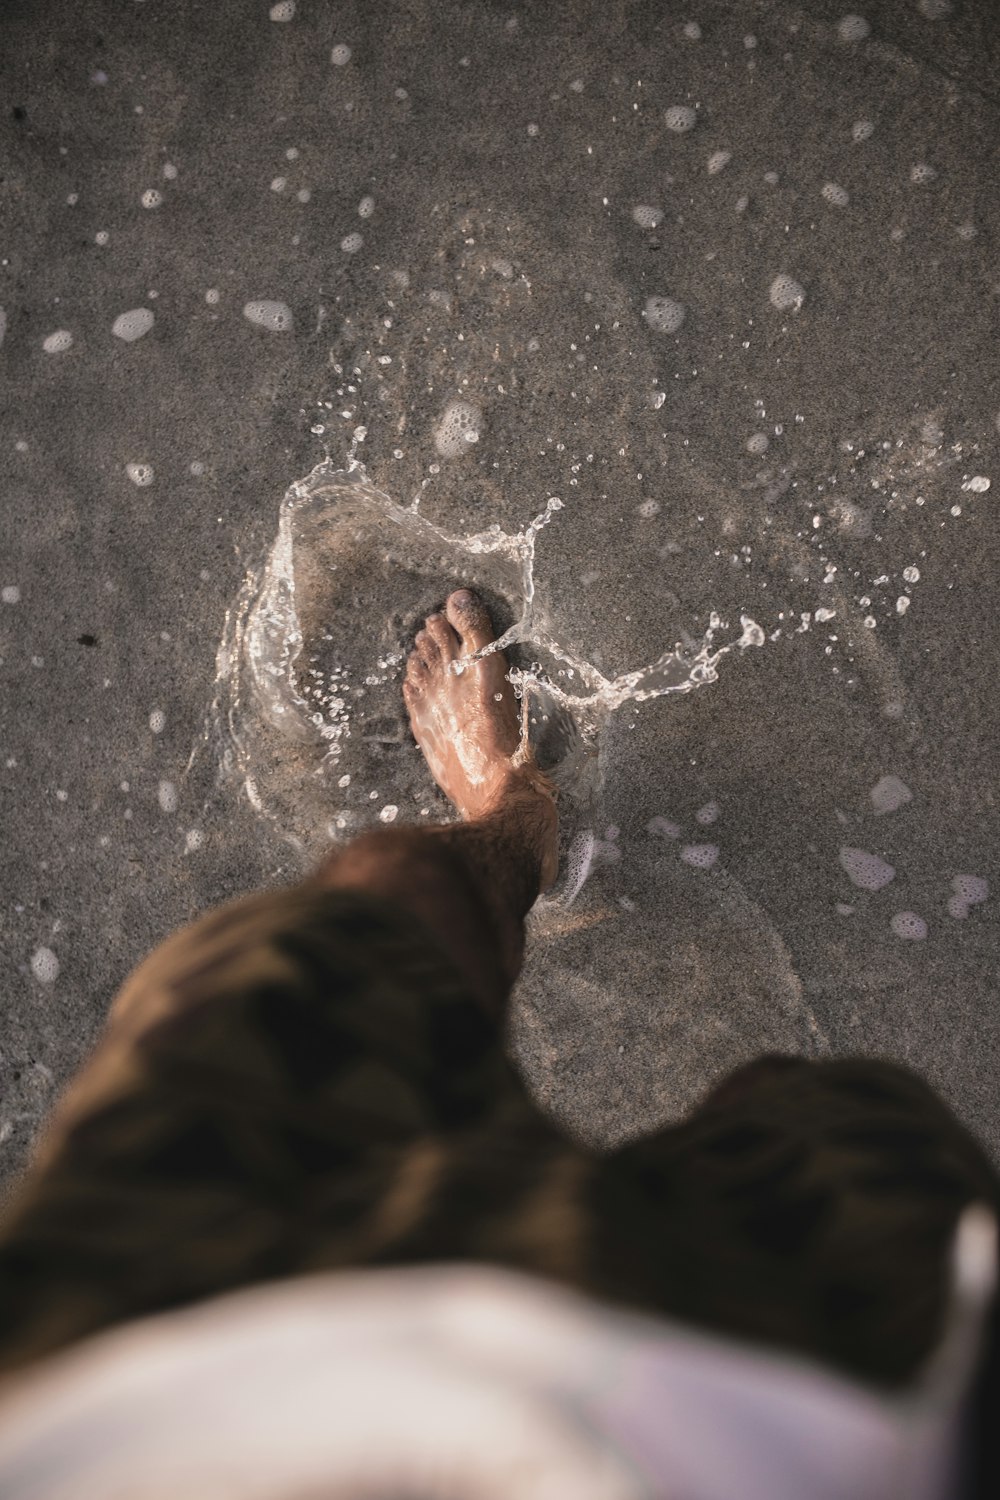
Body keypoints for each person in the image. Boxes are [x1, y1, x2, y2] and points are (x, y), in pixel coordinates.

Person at [0, 589, 997, 1491]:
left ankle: (513, 811)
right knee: (826, 1110)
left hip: (153, 1357)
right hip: (777, 1426)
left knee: (395, 899)